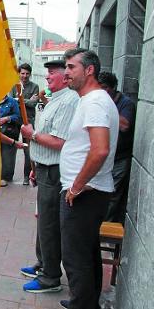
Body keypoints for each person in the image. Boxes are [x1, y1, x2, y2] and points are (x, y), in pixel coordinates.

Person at [58, 48, 119, 309]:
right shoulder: (90, 100)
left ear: (89, 70)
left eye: (71, 67)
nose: (66, 73)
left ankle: (81, 304)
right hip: (87, 192)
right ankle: (84, 302)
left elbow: (100, 150)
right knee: (87, 252)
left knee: (75, 257)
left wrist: (76, 186)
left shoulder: (95, 101)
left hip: (85, 194)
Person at [18, 60, 80, 294]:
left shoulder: (68, 102)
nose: (47, 77)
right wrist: (36, 163)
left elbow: (60, 142)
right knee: (43, 221)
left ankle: (50, 276)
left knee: (50, 223)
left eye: (52, 74)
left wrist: (32, 134)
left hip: (54, 170)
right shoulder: (55, 100)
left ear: (64, 77)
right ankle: (43, 263)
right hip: (44, 167)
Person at [98, 71, 136, 223]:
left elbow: (125, 125)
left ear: (113, 88)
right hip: (104, 156)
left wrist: (107, 108)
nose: (102, 91)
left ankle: (105, 226)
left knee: (112, 195)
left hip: (120, 158)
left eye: (105, 88)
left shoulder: (126, 103)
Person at [10, 63, 39, 185]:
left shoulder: (35, 86)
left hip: (29, 121)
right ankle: (7, 175)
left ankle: (27, 177)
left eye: (27, 73)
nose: (25, 76)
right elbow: (11, 102)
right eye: (22, 73)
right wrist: (26, 100)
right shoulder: (13, 86)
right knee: (11, 147)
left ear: (30, 74)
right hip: (15, 120)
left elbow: (33, 104)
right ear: (19, 74)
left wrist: (19, 99)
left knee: (28, 150)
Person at [0, 94, 22, 187]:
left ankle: (6, 177)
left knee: (8, 156)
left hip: (8, 132)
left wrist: (7, 118)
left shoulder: (12, 101)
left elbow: (18, 116)